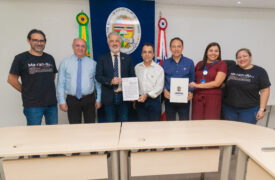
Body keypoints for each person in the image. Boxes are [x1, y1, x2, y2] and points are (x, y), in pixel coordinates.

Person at [7, 29, 58, 125]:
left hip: (51, 104)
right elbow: (11, 80)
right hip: (33, 106)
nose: (39, 43)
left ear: (45, 42)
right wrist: (26, 91)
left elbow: (52, 76)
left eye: (42, 41)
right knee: (33, 135)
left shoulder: (50, 58)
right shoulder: (20, 58)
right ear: (28, 40)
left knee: (53, 133)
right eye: (35, 40)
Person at [57, 38, 101, 124]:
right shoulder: (65, 63)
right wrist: (61, 101)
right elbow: (60, 84)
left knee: (91, 126)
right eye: (77, 45)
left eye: (83, 46)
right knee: (74, 127)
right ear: (73, 46)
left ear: (86, 48)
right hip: (72, 100)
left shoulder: (93, 63)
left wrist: (99, 99)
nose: (80, 48)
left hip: (89, 99)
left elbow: (98, 84)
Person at [222, 48, 271, 124]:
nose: (242, 59)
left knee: (246, 133)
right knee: (230, 132)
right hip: (229, 109)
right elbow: (222, 84)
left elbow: (265, 91)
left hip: (249, 110)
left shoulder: (260, 71)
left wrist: (262, 109)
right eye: (239, 57)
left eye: (244, 56)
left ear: (250, 57)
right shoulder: (231, 69)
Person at [96, 32, 135, 122]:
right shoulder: (102, 58)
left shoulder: (127, 58)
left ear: (120, 43)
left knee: (124, 122)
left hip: (124, 96)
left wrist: (124, 80)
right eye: (112, 41)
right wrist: (111, 81)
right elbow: (98, 76)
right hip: (109, 96)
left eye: (117, 41)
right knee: (111, 124)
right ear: (108, 43)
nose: (114, 43)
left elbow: (132, 76)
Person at [189, 42, 227, 120]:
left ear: (219, 53)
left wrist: (197, 85)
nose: (213, 53)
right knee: (196, 122)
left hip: (213, 99)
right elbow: (193, 79)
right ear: (206, 52)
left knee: (210, 124)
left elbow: (217, 83)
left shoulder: (222, 64)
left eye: (216, 51)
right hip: (198, 97)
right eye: (211, 50)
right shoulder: (199, 64)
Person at [162, 37, 195, 120]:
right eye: (173, 46)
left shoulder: (189, 62)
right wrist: (164, 90)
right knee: (170, 124)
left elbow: (192, 80)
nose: (176, 49)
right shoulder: (164, 63)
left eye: (179, 46)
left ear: (182, 48)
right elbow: (161, 80)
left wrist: (191, 91)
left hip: (184, 98)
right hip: (169, 98)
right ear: (170, 48)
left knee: (184, 124)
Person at [134, 43, 164, 121]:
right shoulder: (137, 68)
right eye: (145, 52)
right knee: (141, 128)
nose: (147, 54)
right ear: (141, 54)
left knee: (154, 129)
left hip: (154, 102)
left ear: (153, 54)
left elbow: (159, 88)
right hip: (140, 102)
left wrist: (147, 95)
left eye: (149, 52)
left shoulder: (159, 69)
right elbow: (134, 85)